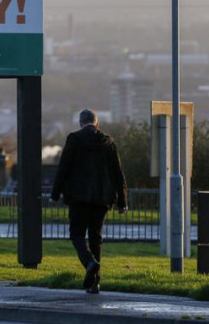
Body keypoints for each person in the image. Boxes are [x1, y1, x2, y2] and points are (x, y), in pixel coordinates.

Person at [50, 109, 128, 294]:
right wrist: (122, 201)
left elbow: (64, 168)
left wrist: (55, 194)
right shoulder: (109, 142)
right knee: (96, 238)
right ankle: (95, 283)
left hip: (79, 196)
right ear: (97, 123)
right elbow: (118, 173)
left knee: (77, 234)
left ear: (80, 123)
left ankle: (89, 262)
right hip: (102, 197)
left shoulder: (74, 139)